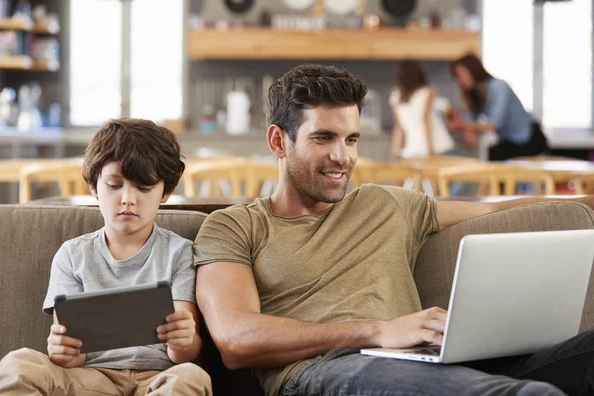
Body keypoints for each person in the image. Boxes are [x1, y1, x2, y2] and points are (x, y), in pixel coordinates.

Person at [193, 64, 594, 396]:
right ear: (278, 141)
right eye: (324, 138)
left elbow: (495, 207)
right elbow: (236, 340)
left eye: (351, 139)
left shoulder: (387, 203)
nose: (343, 156)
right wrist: (380, 331)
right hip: (324, 372)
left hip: (428, 365)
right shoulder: (234, 226)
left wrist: (586, 203)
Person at [0, 119, 211, 396]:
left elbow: (185, 353)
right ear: (95, 188)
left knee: (191, 376)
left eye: (144, 188)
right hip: (89, 378)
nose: (128, 199)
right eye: (114, 185)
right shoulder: (73, 255)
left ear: (165, 192)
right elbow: (71, 356)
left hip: (158, 379)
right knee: (18, 363)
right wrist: (63, 351)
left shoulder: (179, 252)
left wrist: (184, 340)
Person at [449, 53, 548, 161]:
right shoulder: (477, 94)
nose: (459, 80)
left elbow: (493, 124)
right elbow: (471, 121)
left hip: (529, 138)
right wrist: (466, 128)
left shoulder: (499, 86)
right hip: (509, 142)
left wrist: (463, 126)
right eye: (456, 77)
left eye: (460, 74)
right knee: (490, 156)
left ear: (471, 69)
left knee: (494, 157)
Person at [389, 59, 456, 160]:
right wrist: (430, 150)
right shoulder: (427, 91)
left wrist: (393, 154)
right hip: (438, 146)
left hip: (413, 148)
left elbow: (398, 129)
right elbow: (425, 120)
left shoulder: (396, 96)